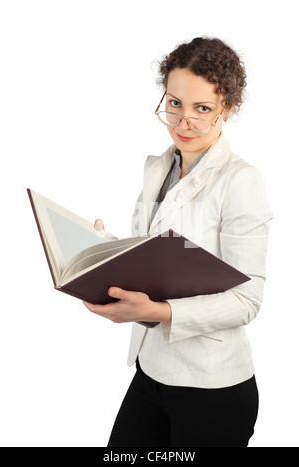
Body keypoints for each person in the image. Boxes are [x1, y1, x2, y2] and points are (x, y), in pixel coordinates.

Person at [83, 37, 273, 447]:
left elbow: (248, 300)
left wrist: (157, 311)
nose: (183, 122)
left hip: (213, 388)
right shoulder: (160, 167)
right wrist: (103, 250)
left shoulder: (242, 181)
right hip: (151, 371)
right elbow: (156, 259)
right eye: (174, 104)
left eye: (202, 109)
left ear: (228, 109)